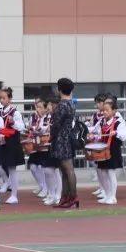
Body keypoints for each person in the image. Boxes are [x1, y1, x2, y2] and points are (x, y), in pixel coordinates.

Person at [50, 78, 79, 209]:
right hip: (68, 138)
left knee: (67, 170)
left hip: (61, 139)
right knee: (66, 170)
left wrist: (52, 137)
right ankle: (66, 197)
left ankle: (72, 196)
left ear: (59, 89)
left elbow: (56, 125)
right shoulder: (71, 104)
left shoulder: (61, 105)